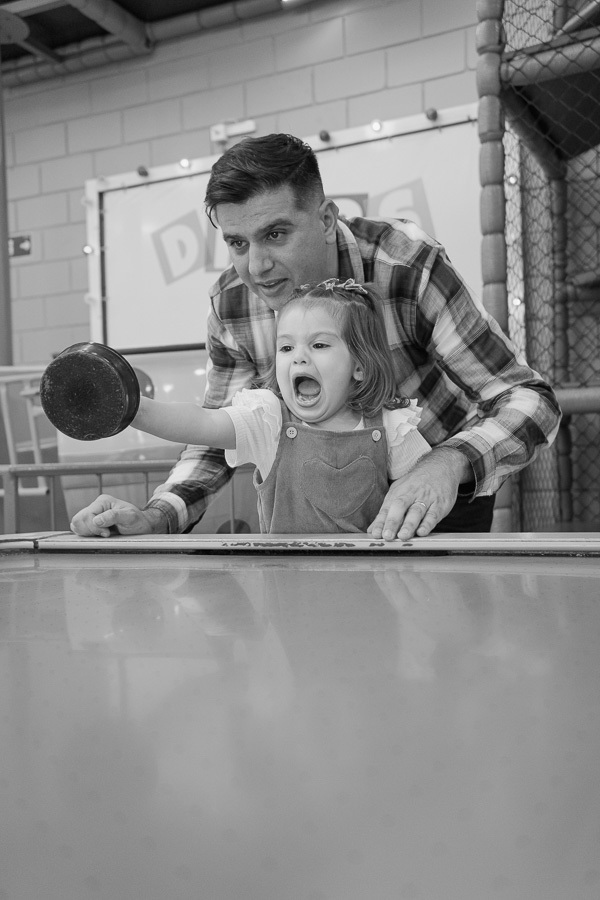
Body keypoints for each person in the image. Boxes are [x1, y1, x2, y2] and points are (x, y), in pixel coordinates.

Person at [70, 132, 561, 541]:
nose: (257, 267)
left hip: (429, 499)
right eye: (238, 243)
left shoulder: (405, 265)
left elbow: (527, 398)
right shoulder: (233, 303)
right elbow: (213, 436)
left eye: (276, 235)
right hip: (301, 532)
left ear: (326, 219)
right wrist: (157, 516)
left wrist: (450, 463)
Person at [100, 279, 431, 534]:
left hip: (372, 590)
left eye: (319, 344)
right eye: (286, 347)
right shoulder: (268, 421)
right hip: (288, 590)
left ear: (359, 365)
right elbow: (201, 422)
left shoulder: (391, 426)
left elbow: (424, 489)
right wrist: (133, 408)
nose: (299, 356)